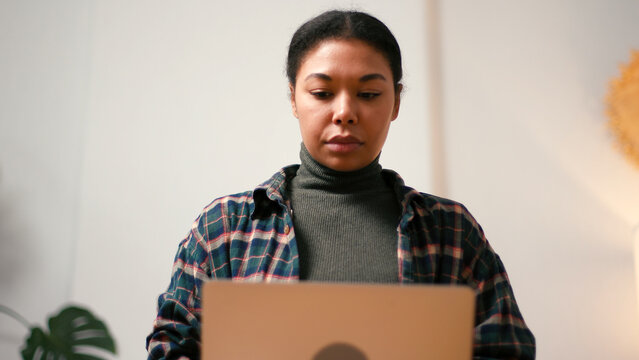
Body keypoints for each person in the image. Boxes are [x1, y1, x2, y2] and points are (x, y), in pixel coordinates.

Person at [146, 9, 536, 359]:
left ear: (396, 103)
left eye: (368, 94)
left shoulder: (450, 230)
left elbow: (506, 349)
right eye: (322, 93)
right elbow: (170, 344)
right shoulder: (226, 227)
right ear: (294, 100)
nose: (345, 112)